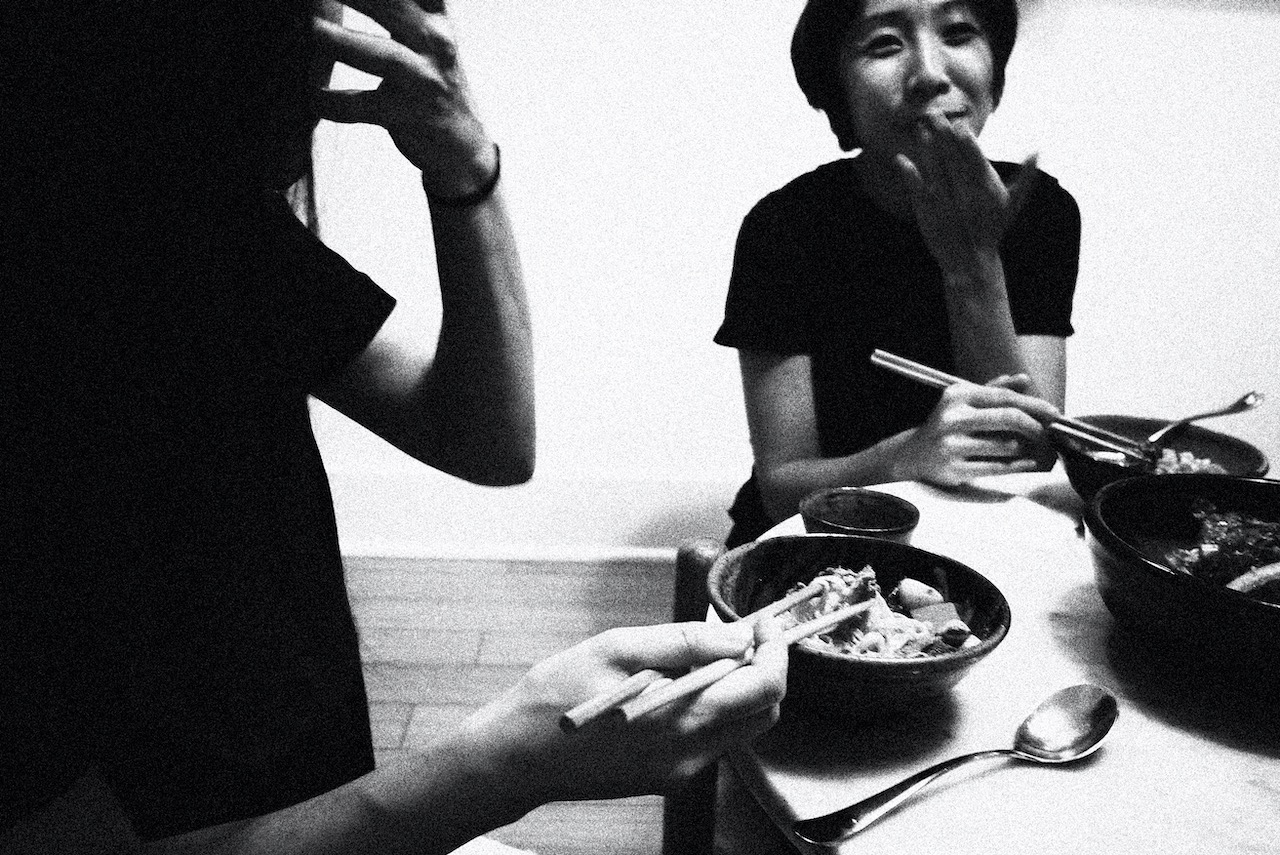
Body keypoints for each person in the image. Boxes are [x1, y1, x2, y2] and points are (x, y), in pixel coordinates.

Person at [0, 1, 788, 851]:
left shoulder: (211, 234)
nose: (329, 44)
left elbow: (487, 437)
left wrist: (463, 169)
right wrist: (507, 764)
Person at [715, 0, 1081, 548]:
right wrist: (906, 457)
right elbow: (781, 489)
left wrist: (973, 265)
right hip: (818, 537)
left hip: (978, 534)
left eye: (958, 32)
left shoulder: (1039, 211)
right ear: (839, 97)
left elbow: (1025, 457)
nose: (930, 74)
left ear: (995, 75)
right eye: (885, 43)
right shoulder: (786, 227)